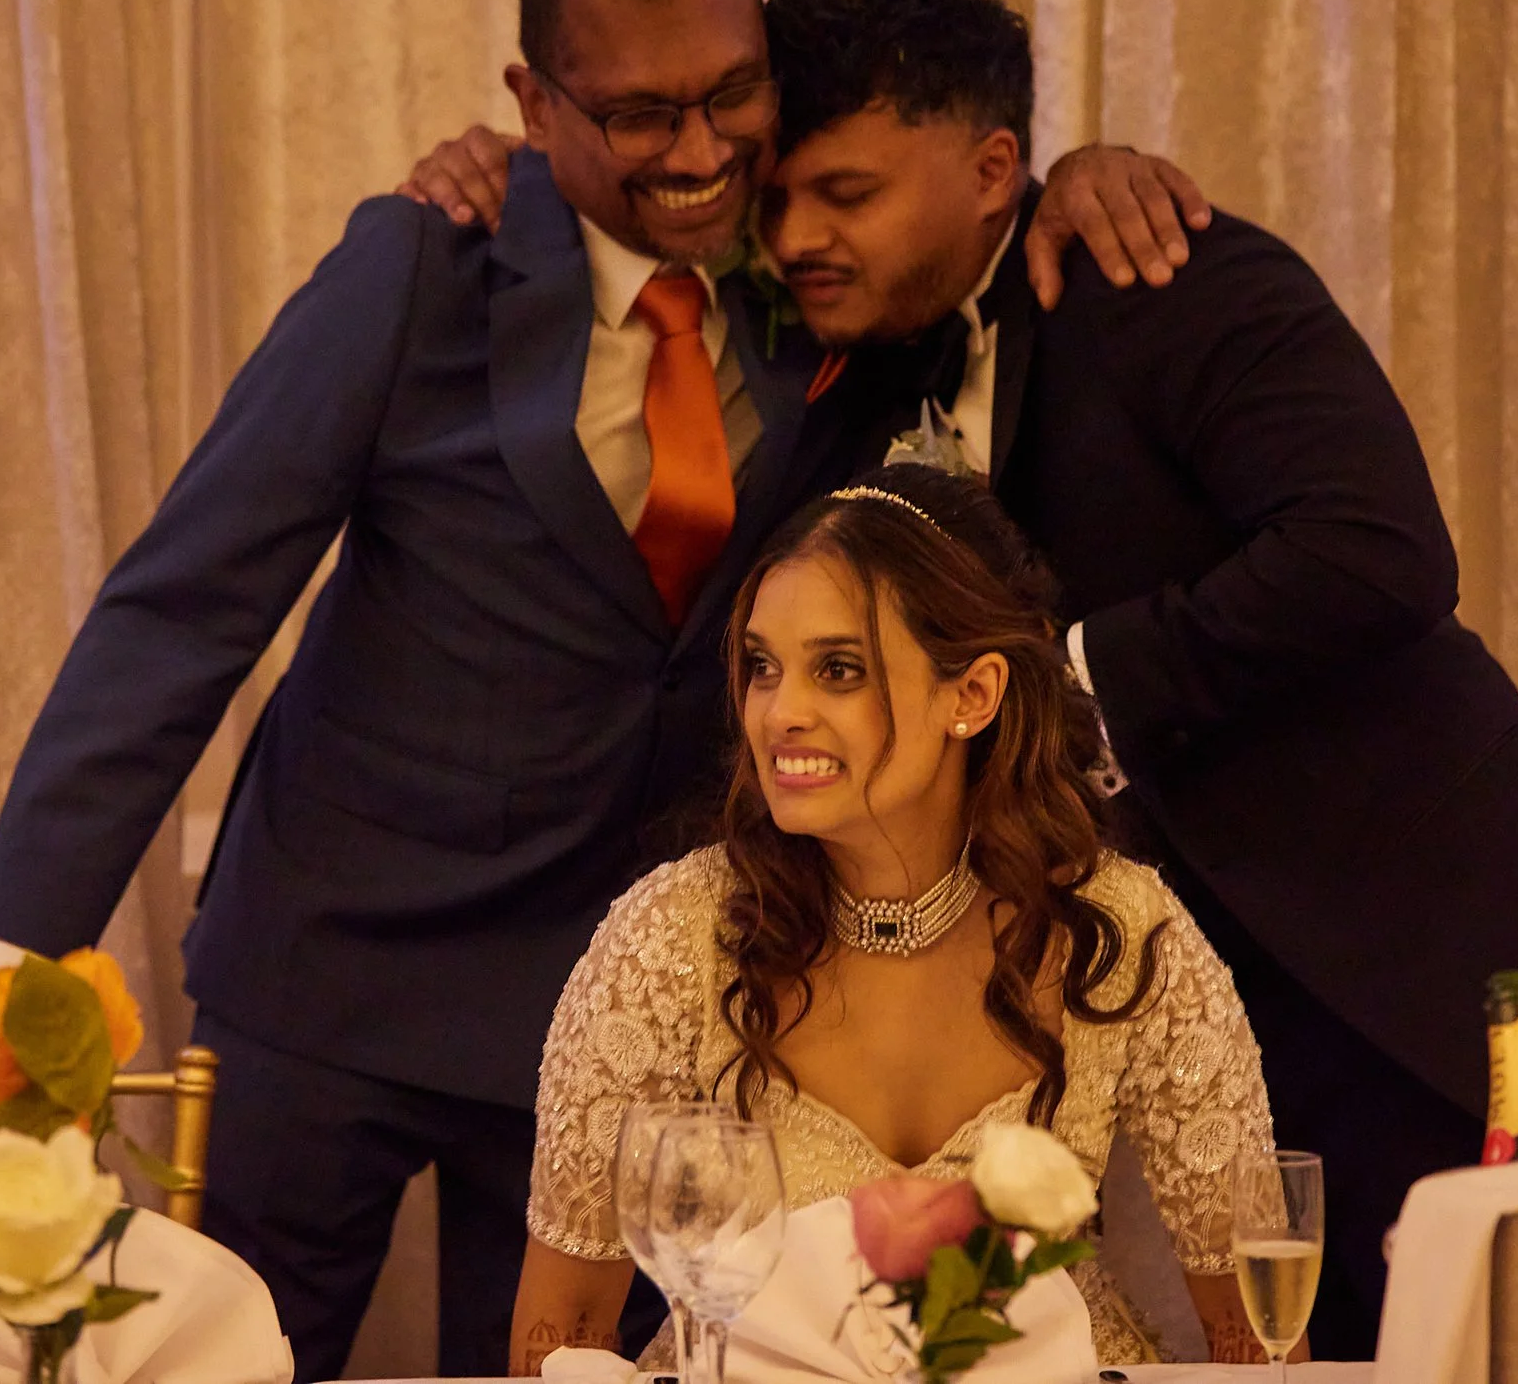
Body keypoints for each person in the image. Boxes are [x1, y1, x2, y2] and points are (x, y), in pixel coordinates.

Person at [0, 0, 1208, 1382]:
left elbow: (954, 228)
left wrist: (1075, 173)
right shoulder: (425, 265)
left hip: (593, 1013)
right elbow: (183, 606)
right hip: (329, 973)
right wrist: (3, 954)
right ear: (532, 104)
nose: (698, 151)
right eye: (634, 112)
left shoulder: (822, 289)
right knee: (213, 1353)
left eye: (731, 93)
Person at [411, 0, 1518, 1360]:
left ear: (995, 172)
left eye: (847, 192)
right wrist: (507, 165)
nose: (797, 232)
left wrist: (1065, 683)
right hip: (1180, 990)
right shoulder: (846, 349)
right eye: (782, 196)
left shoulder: (1166, 272)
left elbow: (1379, 551)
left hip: (1420, 964)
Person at [513, 465, 1276, 1374]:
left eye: (839, 669)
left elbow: (1259, 1339)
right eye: (762, 666)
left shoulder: (1114, 934)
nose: (780, 713)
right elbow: (560, 1336)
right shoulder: (672, 941)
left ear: (974, 695)